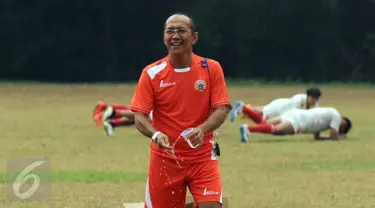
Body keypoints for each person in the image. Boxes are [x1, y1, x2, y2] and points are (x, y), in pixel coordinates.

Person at [130, 13, 230, 208]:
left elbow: (221, 109)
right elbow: (139, 116)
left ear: (194, 38)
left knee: (212, 206)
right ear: (164, 37)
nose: (175, 36)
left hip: (202, 158)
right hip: (165, 160)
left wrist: (202, 129)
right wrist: (156, 134)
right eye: (170, 31)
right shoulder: (151, 73)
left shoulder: (211, 69)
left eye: (181, 31)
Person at [239, 107, 352, 142]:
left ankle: (244, 108)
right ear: (343, 122)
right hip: (300, 120)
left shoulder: (327, 118)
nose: (339, 127)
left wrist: (324, 138)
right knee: (276, 129)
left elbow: (316, 137)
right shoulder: (336, 116)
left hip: (296, 113)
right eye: (342, 127)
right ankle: (248, 129)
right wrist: (340, 138)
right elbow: (333, 136)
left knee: (265, 124)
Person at [230, 88, 322, 124]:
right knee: (262, 121)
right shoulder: (299, 99)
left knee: (261, 110)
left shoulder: (313, 104)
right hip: (278, 108)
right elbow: (292, 113)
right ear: (309, 97)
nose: (315, 101)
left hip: (279, 106)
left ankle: (242, 109)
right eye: (314, 99)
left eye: (316, 99)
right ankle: (243, 108)